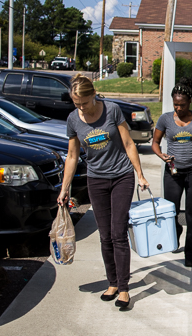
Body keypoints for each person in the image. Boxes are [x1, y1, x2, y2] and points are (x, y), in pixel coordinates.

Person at [57, 74, 149, 309]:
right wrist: (64, 187)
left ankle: (124, 288)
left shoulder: (112, 110)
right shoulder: (72, 119)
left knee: (118, 232)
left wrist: (139, 173)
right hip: (95, 180)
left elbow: (129, 143)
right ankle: (113, 282)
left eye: (84, 103)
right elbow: (72, 155)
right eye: (76, 104)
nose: (81, 108)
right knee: (105, 235)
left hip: (121, 177)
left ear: (94, 95)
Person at [151, 78, 192, 267]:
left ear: (189, 102)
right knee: (171, 211)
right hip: (173, 172)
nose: (178, 108)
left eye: (182, 105)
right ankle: (175, 234)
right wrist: (161, 155)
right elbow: (155, 143)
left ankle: (190, 254)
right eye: (175, 105)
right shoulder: (165, 119)